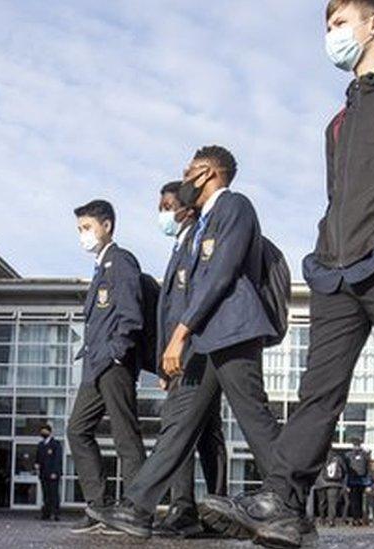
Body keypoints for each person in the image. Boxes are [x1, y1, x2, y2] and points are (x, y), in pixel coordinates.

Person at [200, 1, 374, 547]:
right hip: (337, 275)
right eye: (327, 26)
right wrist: (323, 255)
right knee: (317, 392)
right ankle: (286, 506)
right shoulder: (339, 122)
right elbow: (336, 200)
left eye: (340, 23)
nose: (331, 35)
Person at [94, 146, 282, 539]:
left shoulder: (234, 206)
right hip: (203, 340)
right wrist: (176, 344)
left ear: (208, 173)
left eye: (189, 170)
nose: (183, 176)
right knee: (177, 424)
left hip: (232, 331)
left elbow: (221, 274)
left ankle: (289, 504)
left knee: (255, 419)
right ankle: (138, 508)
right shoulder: (200, 225)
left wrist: (179, 333)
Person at [152, 181, 229, 538]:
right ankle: (194, 509)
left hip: (197, 349)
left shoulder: (197, 244)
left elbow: (193, 304)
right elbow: (168, 313)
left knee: (193, 430)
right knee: (194, 430)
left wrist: (181, 346)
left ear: (187, 208)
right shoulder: (179, 246)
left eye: (167, 205)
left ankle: (205, 509)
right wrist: (163, 364)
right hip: (180, 357)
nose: (163, 213)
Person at [66, 198, 149, 534]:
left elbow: (132, 315)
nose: (82, 235)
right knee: (77, 429)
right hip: (95, 366)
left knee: (125, 436)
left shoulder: (121, 261)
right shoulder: (100, 268)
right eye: (79, 230)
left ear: (107, 226)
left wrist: (117, 352)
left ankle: (136, 510)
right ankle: (99, 507)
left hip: (113, 364)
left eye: (86, 228)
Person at [35, 424, 62, 521]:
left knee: (54, 494)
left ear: (50, 432)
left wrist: (55, 472)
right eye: (42, 431)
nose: (43, 433)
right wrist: (37, 466)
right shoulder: (41, 445)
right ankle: (46, 514)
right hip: (43, 474)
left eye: (45, 431)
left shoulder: (55, 444)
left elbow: (57, 460)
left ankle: (56, 514)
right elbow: (38, 459)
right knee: (45, 494)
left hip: (53, 474)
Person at [345, 438, 371, 525]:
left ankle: (355, 518)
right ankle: (360, 518)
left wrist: (346, 484)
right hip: (363, 481)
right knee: (361, 501)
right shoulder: (365, 455)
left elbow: (347, 470)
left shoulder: (348, 455)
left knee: (353, 501)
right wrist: (368, 483)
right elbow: (368, 469)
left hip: (352, 481)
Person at [322, 450, 348, 527]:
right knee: (332, 503)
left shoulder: (324, 458)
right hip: (336, 484)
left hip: (325, 483)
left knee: (324, 502)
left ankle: (323, 518)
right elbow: (344, 471)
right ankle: (331, 520)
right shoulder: (338, 459)